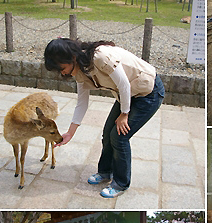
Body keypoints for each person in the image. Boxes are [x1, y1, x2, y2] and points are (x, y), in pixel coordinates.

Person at [44, 38, 165, 198]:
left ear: (72, 58)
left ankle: (121, 183)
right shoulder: (80, 70)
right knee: (108, 132)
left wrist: (124, 114)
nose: (63, 73)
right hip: (128, 94)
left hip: (148, 93)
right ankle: (105, 172)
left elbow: (123, 84)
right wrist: (70, 133)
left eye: (63, 68)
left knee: (119, 136)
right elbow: (82, 102)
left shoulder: (100, 57)